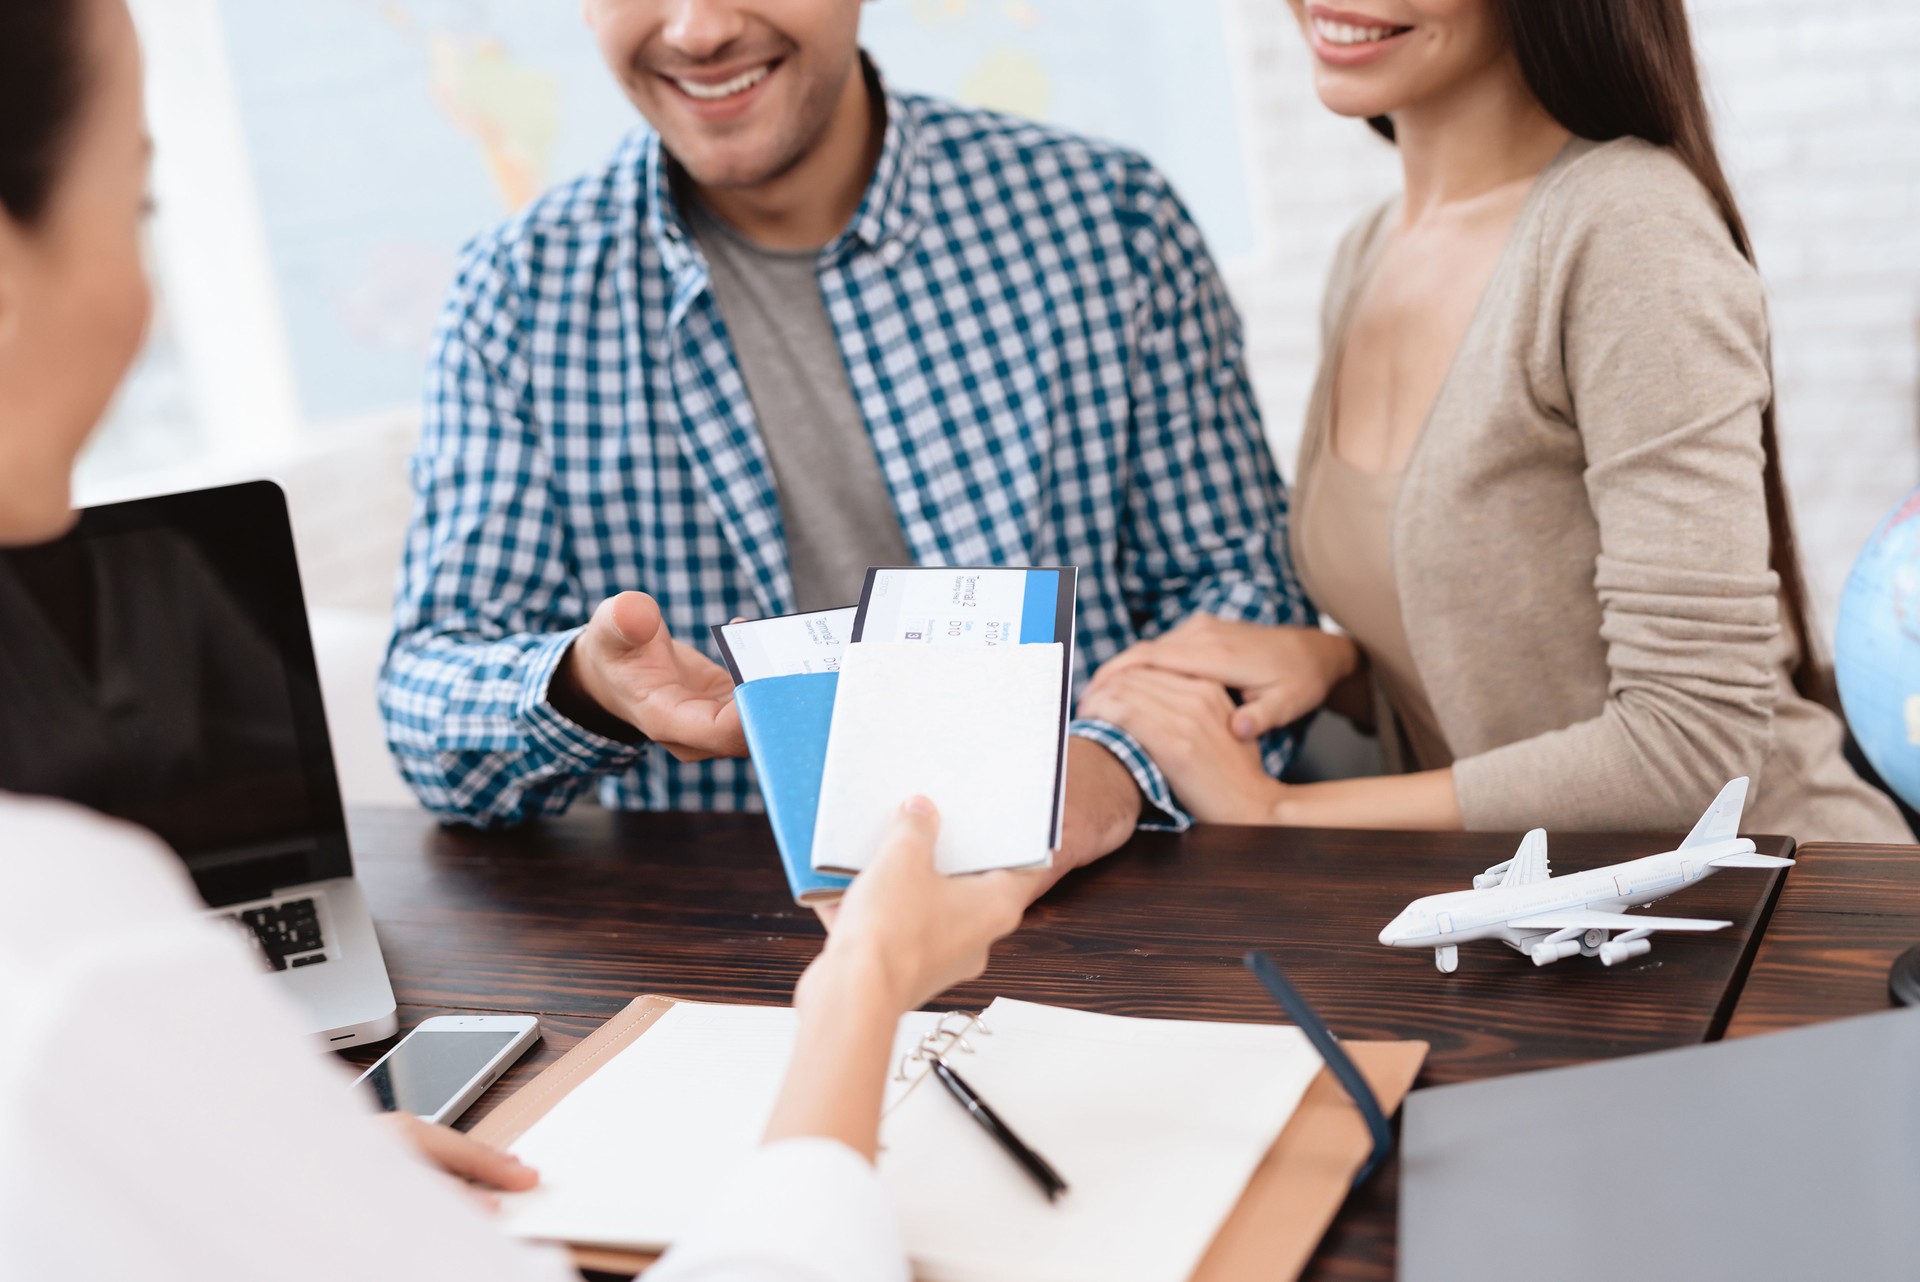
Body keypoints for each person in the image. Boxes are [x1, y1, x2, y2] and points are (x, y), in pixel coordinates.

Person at [0, 3, 1044, 1277]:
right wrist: (862, 990)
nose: (701, 24)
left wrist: (266, 1162)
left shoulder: (1090, 220)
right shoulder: (72, 939)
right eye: (139, 202)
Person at [379, 0, 1309, 872]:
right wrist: (585, 685)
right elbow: (430, 710)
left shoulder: (1109, 221)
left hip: (1115, 892)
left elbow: (1243, 602)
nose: (698, 30)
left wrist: (1101, 778)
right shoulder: (517, 291)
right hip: (724, 947)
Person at [1082, 0, 1912, 843]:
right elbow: (1515, 662)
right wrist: (1343, 671)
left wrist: (1277, 809)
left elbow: (1693, 749)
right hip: (1567, 930)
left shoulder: (1625, 229)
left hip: (1785, 916)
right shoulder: (1368, 251)